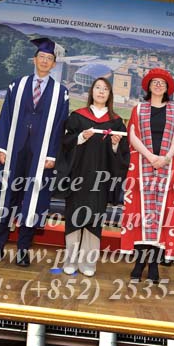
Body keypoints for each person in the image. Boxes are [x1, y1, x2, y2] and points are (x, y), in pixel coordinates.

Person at [0, 38, 70, 267]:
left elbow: (60, 126)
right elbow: (5, 116)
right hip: (14, 151)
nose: (45, 61)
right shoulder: (17, 85)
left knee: (32, 201)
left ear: (54, 64)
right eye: (42, 57)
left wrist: (52, 155)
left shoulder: (61, 93)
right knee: (5, 198)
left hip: (40, 155)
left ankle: (23, 251)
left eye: (49, 59)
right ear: (34, 60)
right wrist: (0, 148)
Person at [121, 68, 174, 284]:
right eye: (154, 82)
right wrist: (150, 156)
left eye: (162, 83)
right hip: (143, 167)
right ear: (148, 86)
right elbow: (132, 135)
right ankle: (139, 264)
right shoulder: (139, 109)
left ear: (167, 88)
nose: (158, 85)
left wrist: (166, 158)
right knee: (142, 215)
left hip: (167, 169)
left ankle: (154, 265)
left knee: (162, 217)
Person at [60, 78, 129, 276]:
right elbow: (64, 143)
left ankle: (88, 263)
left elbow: (123, 155)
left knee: (94, 219)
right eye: (98, 87)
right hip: (78, 176)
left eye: (105, 89)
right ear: (92, 91)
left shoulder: (116, 122)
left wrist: (115, 144)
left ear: (110, 94)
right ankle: (71, 260)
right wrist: (81, 137)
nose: (101, 91)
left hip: (101, 179)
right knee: (74, 217)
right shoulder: (77, 117)